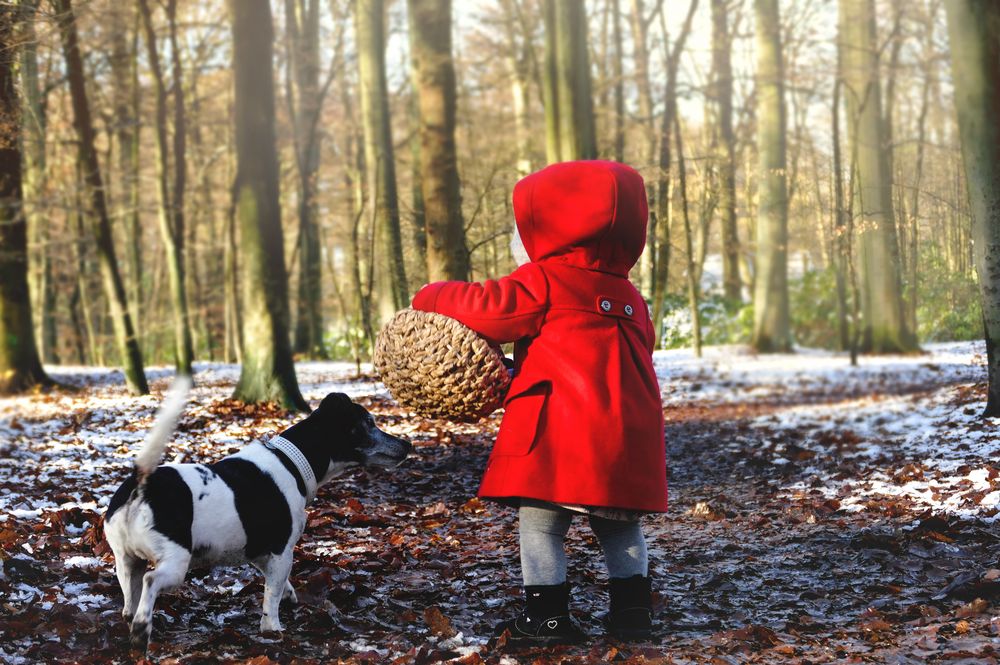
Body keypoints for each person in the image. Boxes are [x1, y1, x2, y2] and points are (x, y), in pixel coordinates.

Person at [411, 160, 667, 644]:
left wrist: (432, 293)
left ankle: (547, 618)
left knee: (541, 525)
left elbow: (488, 307)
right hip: (624, 435)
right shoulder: (630, 295)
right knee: (619, 526)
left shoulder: (545, 280)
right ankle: (634, 614)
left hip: (562, 434)